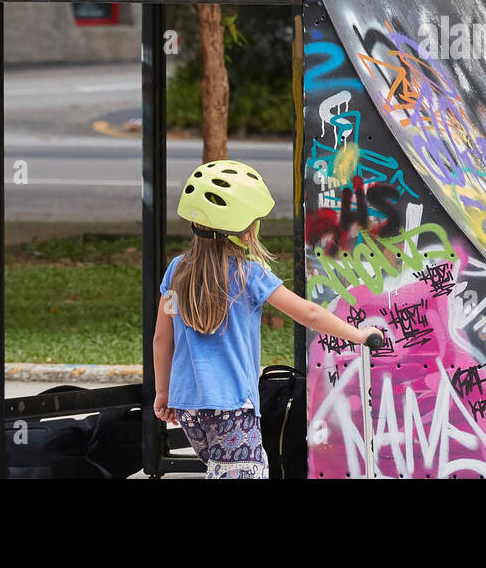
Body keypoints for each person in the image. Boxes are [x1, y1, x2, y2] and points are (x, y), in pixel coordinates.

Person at [153, 159, 382, 478]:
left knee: (222, 470)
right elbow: (309, 312)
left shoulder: (177, 270)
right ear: (247, 230)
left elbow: (162, 338)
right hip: (231, 407)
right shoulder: (249, 274)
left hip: (189, 409)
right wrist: (358, 335)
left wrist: (162, 392)